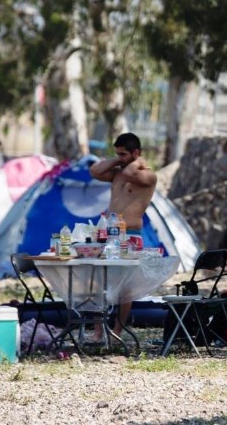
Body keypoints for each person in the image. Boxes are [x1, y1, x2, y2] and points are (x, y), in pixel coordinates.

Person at [89, 133, 157, 337]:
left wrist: (138, 161)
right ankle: (98, 330)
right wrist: (118, 159)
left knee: (125, 287)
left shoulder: (148, 175)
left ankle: (118, 330)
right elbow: (94, 170)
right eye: (117, 153)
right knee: (100, 281)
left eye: (124, 153)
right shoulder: (118, 170)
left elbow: (130, 174)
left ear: (136, 153)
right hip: (110, 233)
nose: (120, 157)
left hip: (131, 235)